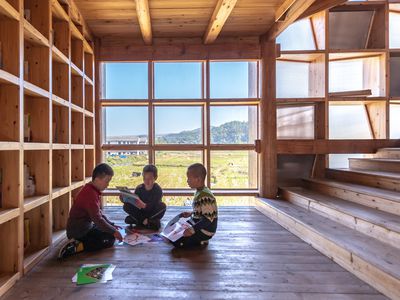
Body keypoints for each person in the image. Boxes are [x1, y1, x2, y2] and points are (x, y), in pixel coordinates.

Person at [58, 163, 123, 259]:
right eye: (107, 181)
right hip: (79, 232)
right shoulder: (90, 194)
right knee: (109, 239)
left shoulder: (92, 190)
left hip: (87, 227)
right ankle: (77, 245)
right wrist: (114, 232)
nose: (108, 184)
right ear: (97, 179)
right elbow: (97, 219)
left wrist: (111, 225)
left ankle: (79, 243)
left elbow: (99, 214)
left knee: (108, 232)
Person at [172, 163, 218, 248]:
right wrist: (192, 213)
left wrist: (191, 230)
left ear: (198, 179)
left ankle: (201, 241)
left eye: (189, 178)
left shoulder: (205, 196)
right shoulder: (200, 191)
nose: (187, 181)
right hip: (198, 223)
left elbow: (208, 219)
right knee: (176, 231)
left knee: (176, 241)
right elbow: (203, 211)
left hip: (205, 230)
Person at [123, 164, 166, 231]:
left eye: (149, 179)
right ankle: (148, 222)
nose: (147, 181)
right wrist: (126, 198)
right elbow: (134, 202)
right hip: (140, 213)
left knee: (162, 206)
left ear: (155, 178)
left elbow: (155, 206)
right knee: (126, 206)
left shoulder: (158, 190)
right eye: (145, 178)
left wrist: (144, 205)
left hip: (152, 212)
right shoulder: (139, 188)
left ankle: (139, 221)